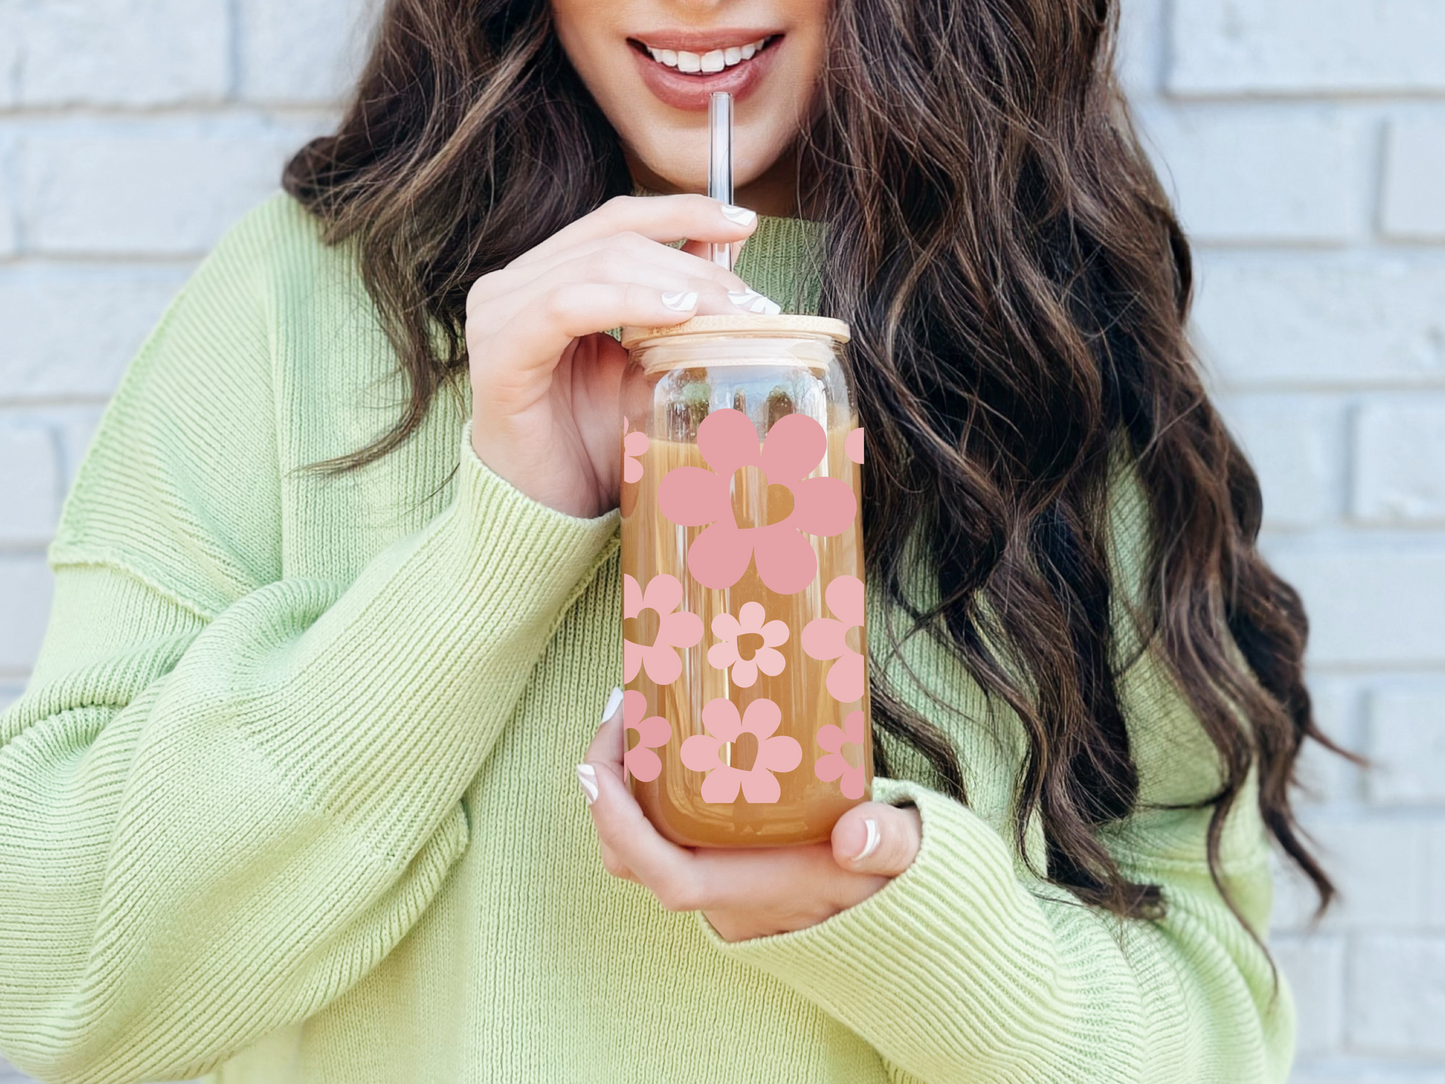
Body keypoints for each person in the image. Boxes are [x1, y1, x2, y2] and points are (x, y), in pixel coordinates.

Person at [0, 0, 1346, 1082]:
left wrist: (892, 920)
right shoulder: (304, 300)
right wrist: (502, 540)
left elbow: (1211, 1036)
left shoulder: (1048, 363)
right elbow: (49, 974)